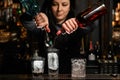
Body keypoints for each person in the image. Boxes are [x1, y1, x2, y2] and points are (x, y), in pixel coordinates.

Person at [20, 0, 94, 74]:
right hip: (46, 75)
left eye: (64, 5)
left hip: (71, 74)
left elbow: (93, 24)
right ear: (50, 6)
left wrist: (79, 22)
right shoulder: (43, 24)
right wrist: (36, 15)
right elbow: (25, 21)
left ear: (70, 7)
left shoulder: (76, 24)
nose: (59, 9)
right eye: (55, 4)